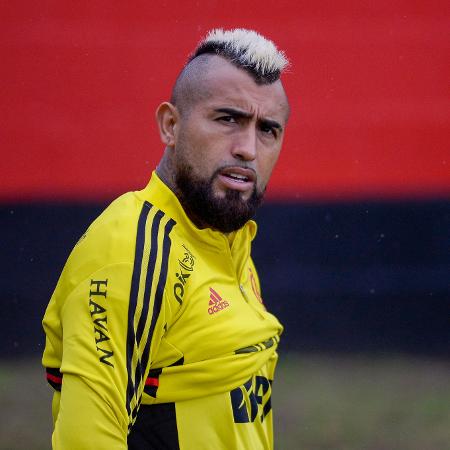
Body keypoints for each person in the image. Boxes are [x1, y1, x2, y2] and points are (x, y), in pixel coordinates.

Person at [42, 28, 290, 449]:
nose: (248, 148)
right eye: (228, 118)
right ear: (170, 125)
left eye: (268, 129)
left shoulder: (230, 242)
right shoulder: (130, 251)